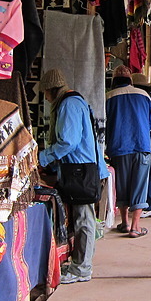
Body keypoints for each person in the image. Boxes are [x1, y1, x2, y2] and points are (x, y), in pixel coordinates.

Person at [38, 69, 108, 283]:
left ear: (50, 90)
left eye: (45, 93)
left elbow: (69, 142)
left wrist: (42, 157)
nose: (46, 98)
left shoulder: (68, 104)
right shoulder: (74, 102)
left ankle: (82, 268)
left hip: (80, 170)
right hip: (81, 168)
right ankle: (80, 262)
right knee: (82, 218)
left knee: (84, 219)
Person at [106, 67, 151, 238]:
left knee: (122, 184)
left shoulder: (108, 97)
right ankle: (136, 226)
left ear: (114, 80)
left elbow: (103, 124)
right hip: (141, 145)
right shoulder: (145, 96)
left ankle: (125, 223)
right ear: (130, 80)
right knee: (140, 185)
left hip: (118, 147)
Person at [131, 73, 151, 218]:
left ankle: (149, 205)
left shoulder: (146, 98)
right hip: (148, 141)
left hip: (147, 142)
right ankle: (144, 203)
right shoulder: (148, 97)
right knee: (144, 173)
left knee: (146, 174)